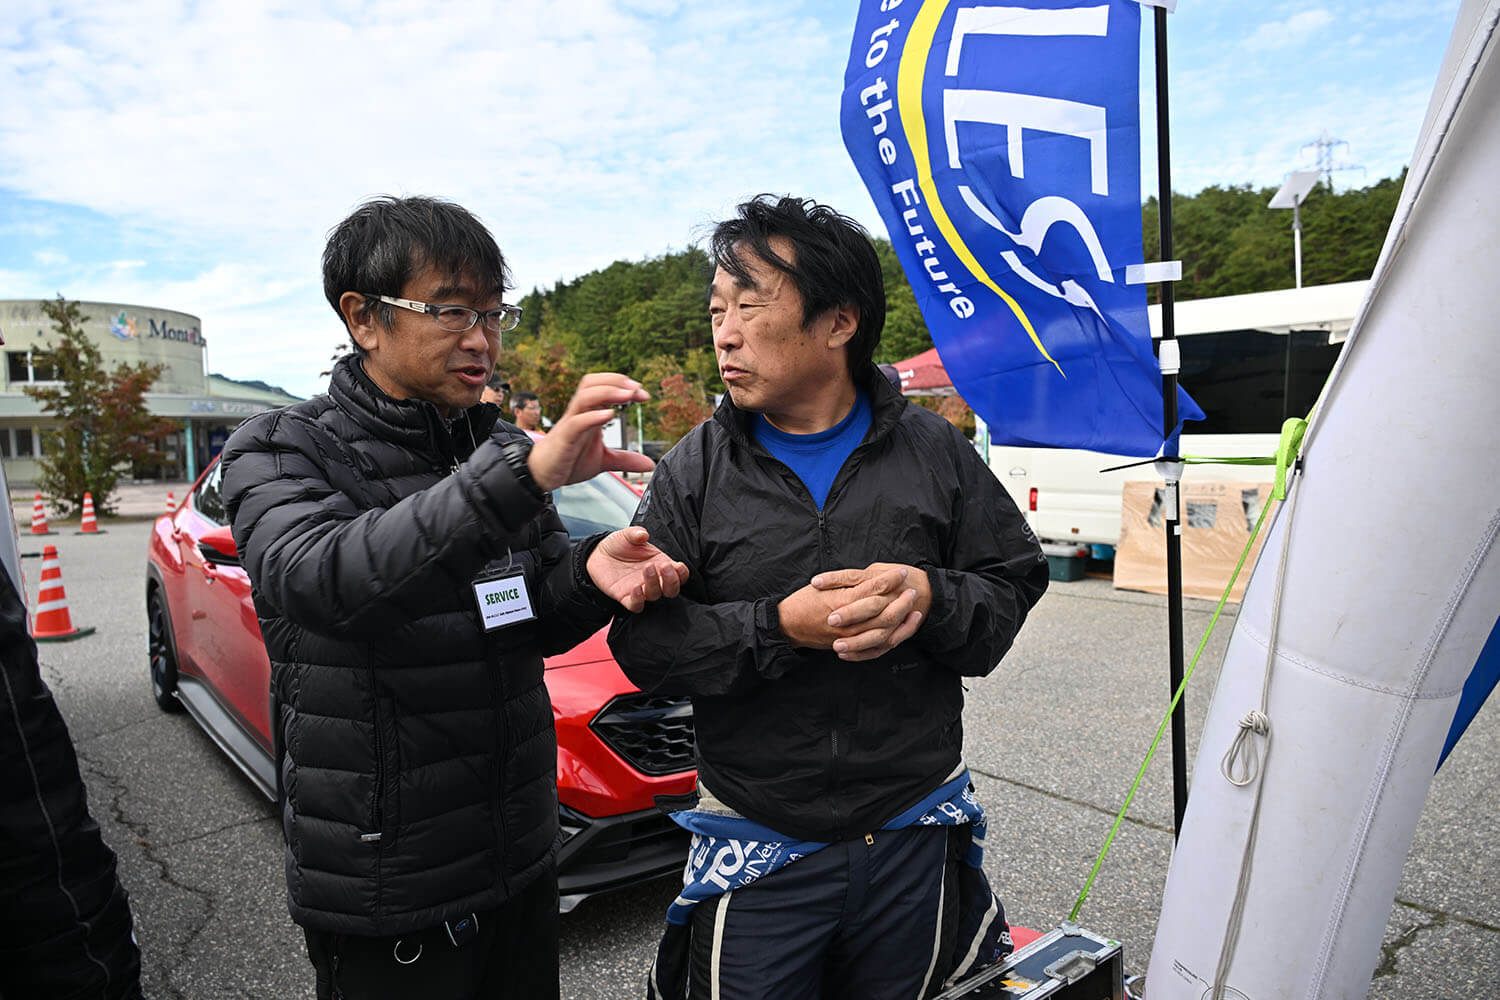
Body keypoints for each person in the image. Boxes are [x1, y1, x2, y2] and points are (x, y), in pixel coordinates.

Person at [220, 195, 687, 1000]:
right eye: (450, 310)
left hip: (520, 855)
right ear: (363, 318)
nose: (482, 337)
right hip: (390, 884)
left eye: (493, 311)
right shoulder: (280, 447)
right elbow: (328, 583)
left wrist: (588, 573)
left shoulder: (495, 447)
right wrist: (526, 475)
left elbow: (524, 616)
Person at [608, 195, 1049, 1000]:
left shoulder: (933, 449)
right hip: (758, 835)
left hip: (912, 830)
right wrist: (780, 627)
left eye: (750, 305)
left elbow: (1009, 588)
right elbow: (644, 650)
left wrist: (930, 595)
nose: (725, 332)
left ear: (839, 322)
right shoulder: (694, 471)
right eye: (717, 309)